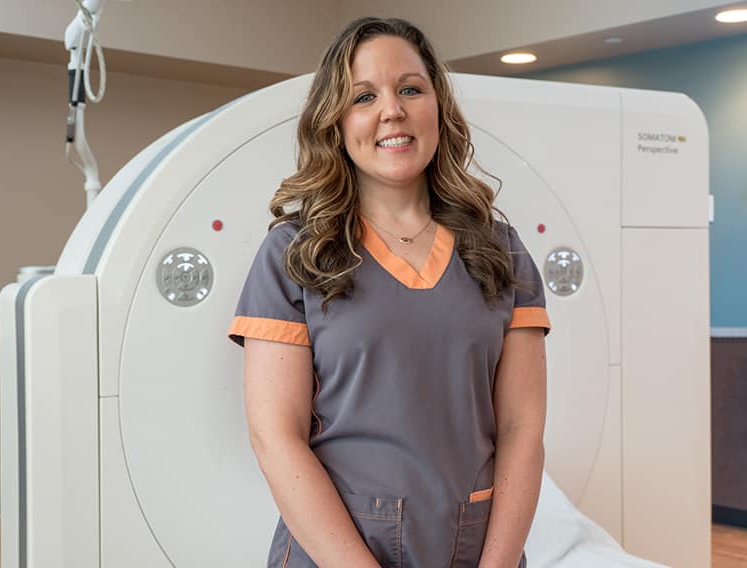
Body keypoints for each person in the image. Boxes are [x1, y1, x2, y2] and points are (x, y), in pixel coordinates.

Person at [228, 16, 550, 568]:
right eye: (363, 96)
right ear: (336, 122)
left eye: (409, 89)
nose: (391, 110)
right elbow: (275, 439)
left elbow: (522, 429)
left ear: (438, 108)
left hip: (474, 550)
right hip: (336, 552)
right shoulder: (295, 253)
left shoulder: (501, 248)